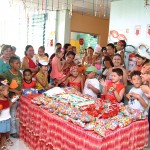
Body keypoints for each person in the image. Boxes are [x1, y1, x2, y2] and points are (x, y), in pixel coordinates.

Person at [2, 56, 22, 138]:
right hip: (11, 97)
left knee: (14, 114)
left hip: (18, 97)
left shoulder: (20, 73)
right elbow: (4, 87)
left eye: (19, 63)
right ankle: (13, 132)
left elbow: (21, 84)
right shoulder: (6, 74)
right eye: (17, 63)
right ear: (11, 64)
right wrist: (15, 91)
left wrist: (21, 91)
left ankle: (12, 129)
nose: (19, 65)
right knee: (12, 114)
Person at [0, 77, 14, 150]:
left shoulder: (7, 98)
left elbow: (9, 106)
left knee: (6, 130)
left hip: (7, 117)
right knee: (2, 134)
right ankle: (1, 146)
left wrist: (13, 101)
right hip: (2, 120)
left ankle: (6, 140)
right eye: (7, 90)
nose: (8, 92)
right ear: (1, 91)